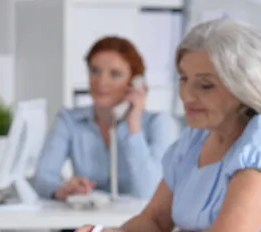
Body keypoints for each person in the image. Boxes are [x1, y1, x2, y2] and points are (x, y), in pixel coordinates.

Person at [71, 19, 261, 232]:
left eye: (205, 85)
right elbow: (156, 220)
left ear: (245, 87)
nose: (187, 95)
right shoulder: (194, 139)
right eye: (184, 79)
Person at [32, 36, 179, 203]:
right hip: (84, 224)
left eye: (114, 74)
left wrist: (133, 126)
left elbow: (148, 190)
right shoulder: (69, 120)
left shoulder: (159, 124)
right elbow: (42, 178)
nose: (101, 81)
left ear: (135, 83)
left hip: (135, 226)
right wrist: (62, 190)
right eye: (95, 71)